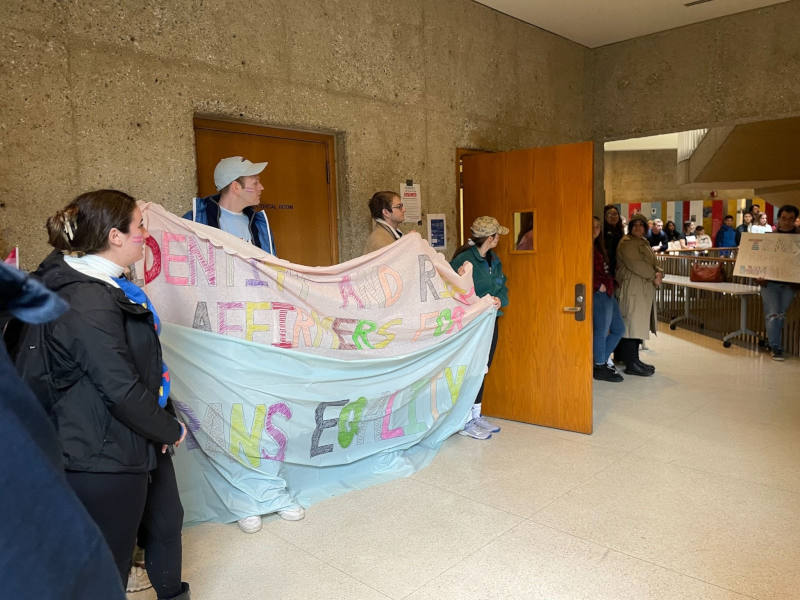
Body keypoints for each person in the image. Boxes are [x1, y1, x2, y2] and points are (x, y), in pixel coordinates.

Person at [12, 190, 190, 600]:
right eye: (139, 226)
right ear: (114, 236)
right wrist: (167, 428)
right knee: (108, 559)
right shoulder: (86, 299)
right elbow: (119, 387)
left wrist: (158, 424)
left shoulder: (101, 281)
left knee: (165, 522)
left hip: (139, 432)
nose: (146, 234)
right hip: (102, 450)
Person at [186, 157, 303, 532]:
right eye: (255, 182)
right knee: (229, 413)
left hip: (259, 329)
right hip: (218, 335)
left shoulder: (259, 222)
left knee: (265, 407)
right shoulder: (195, 218)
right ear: (234, 185)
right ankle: (241, 497)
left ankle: (271, 489)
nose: (262, 188)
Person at [450, 216, 509, 439]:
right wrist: (481, 302)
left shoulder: (494, 260)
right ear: (490, 238)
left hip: (491, 320)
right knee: (470, 369)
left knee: (483, 367)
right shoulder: (464, 261)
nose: (498, 240)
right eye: (497, 236)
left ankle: (476, 414)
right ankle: (464, 419)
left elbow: (502, 286)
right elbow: (455, 293)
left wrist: (498, 300)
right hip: (472, 325)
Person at [183, 156, 277, 255]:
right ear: (236, 187)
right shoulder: (194, 220)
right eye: (255, 183)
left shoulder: (259, 224)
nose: (261, 187)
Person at [614, 213, 662, 376]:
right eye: (635, 225)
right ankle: (631, 363)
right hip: (632, 288)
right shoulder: (627, 243)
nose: (638, 228)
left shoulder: (643, 242)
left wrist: (659, 272)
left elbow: (652, 262)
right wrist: (653, 275)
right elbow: (636, 264)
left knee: (636, 324)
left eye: (641, 225)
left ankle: (633, 359)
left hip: (641, 287)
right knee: (631, 325)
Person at [759, 205, 800, 361]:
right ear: (778, 218)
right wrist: (759, 275)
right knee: (773, 314)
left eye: (791, 219)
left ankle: (773, 343)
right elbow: (760, 259)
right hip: (770, 282)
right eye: (784, 218)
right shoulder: (770, 237)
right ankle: (776, 347)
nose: (787, 222)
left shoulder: (798, 237)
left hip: (790, 283)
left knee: (780, 314)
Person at [592, 217, 625, 382]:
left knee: (619, 329)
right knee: (601, 331)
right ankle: (599, 365)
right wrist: (597, 285)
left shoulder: (598, 246)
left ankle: (599, 361)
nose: (595, 229)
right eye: (591, 226)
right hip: (599, 293)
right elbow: (580, 270)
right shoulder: (583, 246)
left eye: (598, 226)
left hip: (608, 291)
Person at [603, 205, 624, 278]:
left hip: (619, 264)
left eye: (615, 214)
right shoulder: (603, 231)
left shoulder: (619, 230)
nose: (613, 216)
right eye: (610, 214)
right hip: (608, 265)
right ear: (605, 216)